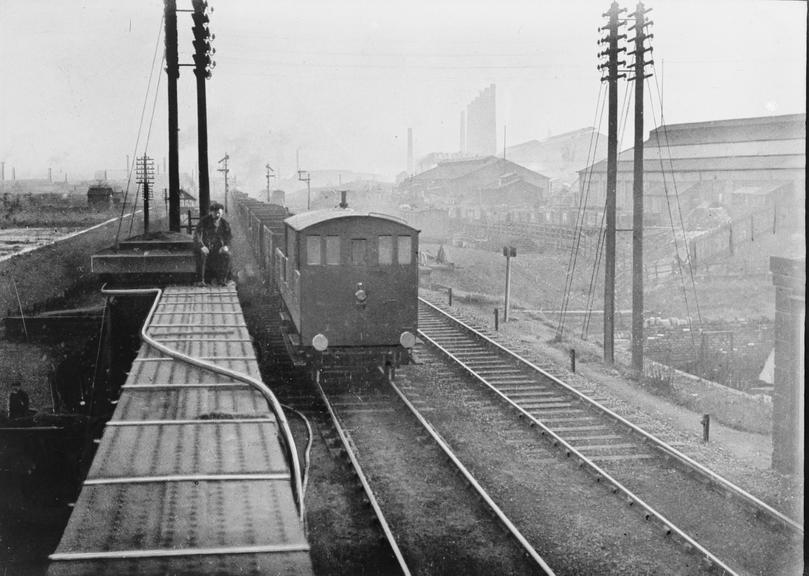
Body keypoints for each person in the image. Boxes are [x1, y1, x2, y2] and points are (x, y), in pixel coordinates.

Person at [194, 202, 233, 286]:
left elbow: (229, 237)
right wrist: (202, 246)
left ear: (222, 213)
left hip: (218, 248)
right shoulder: (203, 222)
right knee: (202, 253)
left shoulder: (225, 224)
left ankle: (222, 280)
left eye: (219, 213)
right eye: (216, 213)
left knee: (227, 254)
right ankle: (201, 280)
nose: (218, 215)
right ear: (211, 212)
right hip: (206, 247)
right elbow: (197, 236)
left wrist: (225, 246)